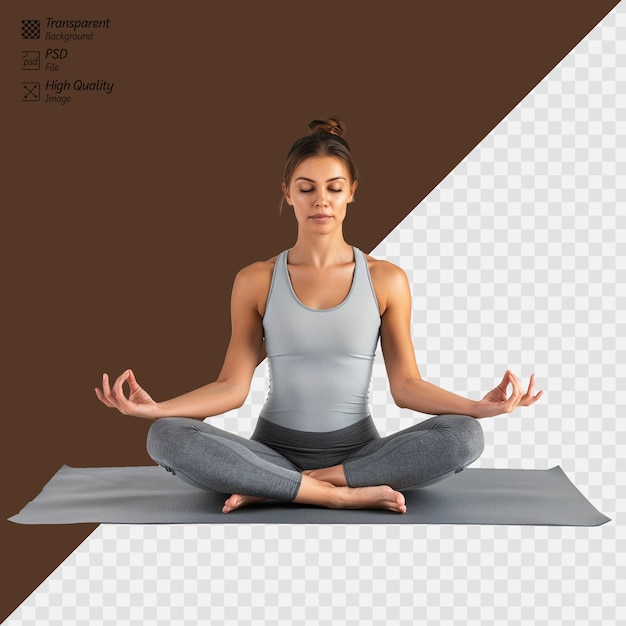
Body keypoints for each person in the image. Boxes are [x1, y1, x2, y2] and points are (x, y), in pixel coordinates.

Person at [95, 116, 543, 514]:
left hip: (360, 454)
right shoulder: (256, 279)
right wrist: (158, 409)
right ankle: (333, 493)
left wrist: (478, 408)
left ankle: (290, 488)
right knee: (165, 436)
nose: (320, 201)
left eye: (333, 188)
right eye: (306, 188)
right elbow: (232, 387)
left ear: (351, 192)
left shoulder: (386, 280)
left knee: (466, 436)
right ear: (287, 193)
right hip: (269, 452)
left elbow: (406, 386)